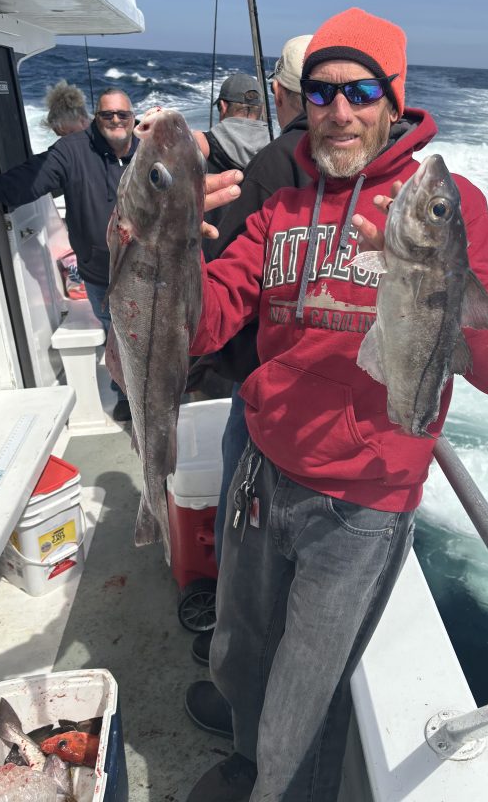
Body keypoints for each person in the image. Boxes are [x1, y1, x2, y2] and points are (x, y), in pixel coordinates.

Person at [185, 7, 488, 802]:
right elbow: (205, 322)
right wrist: (159, 249)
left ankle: (282, 790)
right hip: (263, 471)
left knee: (309, 696)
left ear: (393, 100)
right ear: (301, 101)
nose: (339, 110)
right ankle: (245, 761)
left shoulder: (448, 206)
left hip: (362, 503)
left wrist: (430, 273)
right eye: (322, 92)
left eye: (361, 90)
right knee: (241, 650)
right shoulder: (280, 204)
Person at [185, 34, 313, 676]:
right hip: (320, 414)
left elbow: (218, 282)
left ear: (280, 94)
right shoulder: (365, 180)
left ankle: (237, 659)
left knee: (244, 535)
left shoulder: (268, 165)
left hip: (256, 383)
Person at [0, 87, 138, 422]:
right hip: (100, 275)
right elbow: (35, 175)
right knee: (116, 335)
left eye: (122, 114)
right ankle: (125, 394)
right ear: (95, 118)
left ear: (132, 117)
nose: (115, 120)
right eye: (107, 114)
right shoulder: (71, 151)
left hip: (144, 272)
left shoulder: (146, 149)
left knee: (149, 333)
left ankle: (158, 392)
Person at [199, 72, 272, 231]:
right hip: (253, 249)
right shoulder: (275, 151)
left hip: (209, 246)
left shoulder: (202, 145)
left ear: (223, 106)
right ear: (260, 110)